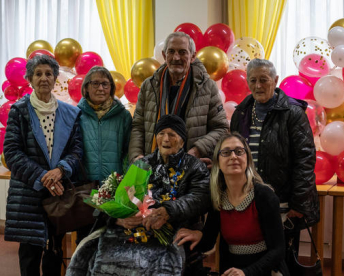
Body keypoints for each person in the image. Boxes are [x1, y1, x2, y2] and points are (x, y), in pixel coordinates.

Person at [67, 114, 211, 276]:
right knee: (100, 257)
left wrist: (167, 211)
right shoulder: (142, 164)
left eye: (172, 135)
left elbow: (200, 198)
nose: (166, 139)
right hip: (129, 230)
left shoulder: (195, 167)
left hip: (169, 230)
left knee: (155, 265)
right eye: (162, 133)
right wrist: (119, 218)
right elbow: (121, 196)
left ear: (182, 141)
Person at [230, 58, 319, 272]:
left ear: (275, 80)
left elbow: (305, 160)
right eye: (253, 80)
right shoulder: (241, 112)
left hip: (284, 203)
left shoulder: (293, 113)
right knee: (255, 260)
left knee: (281, 261)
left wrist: (298, 204)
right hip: (248, 200)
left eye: (264, 80)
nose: (258, 85)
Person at [3, 55, 83, 276]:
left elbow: (77, 152)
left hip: (58, 192)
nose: (44, 78)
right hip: (28, 193)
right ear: (30, 78)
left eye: (49, 73)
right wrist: (43, 177)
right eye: (38, 74)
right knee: (29, 254)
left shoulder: (69, 113)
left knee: (54, 252)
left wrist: (60, 170)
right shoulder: (19, 111)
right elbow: (11, 153)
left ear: (56, 78)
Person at [175, 133, 289, 276]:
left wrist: (246, 273)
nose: (233, 156)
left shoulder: (264, 196)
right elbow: (208, 242)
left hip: (265, 270)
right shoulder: (218, 197)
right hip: (231, 270)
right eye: (226, 152)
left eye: (239, 151)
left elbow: (278, 250)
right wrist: (198, 235)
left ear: (247, 158)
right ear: (218, 162)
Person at [128, 32, 228, 167]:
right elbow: (138, 126)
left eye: (182, 52)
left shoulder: (207, 86)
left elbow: (221, 128)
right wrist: (137, 156)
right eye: (171, 52)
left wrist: (197, 151)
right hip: (153, 167)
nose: (176, 57)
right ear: (164, 55)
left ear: (193, 56)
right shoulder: (149, 85)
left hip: (190, 168)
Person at [78, 66, 132, 182]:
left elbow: (129, 152)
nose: (101, 88)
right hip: (85, 186)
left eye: (105, 84)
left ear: (111, 88)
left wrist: (125, 179)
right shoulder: (77, 115)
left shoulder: (123, 116)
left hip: (115, 185)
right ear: (86, 87)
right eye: (95, 83)